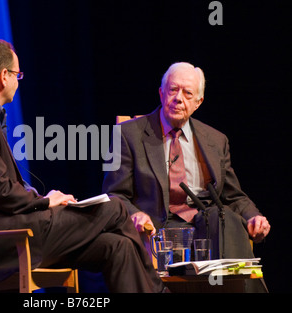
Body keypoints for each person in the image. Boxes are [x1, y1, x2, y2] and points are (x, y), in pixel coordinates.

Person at [0, 37, 167, 293]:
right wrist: (45, 202)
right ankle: (160, 291)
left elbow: (2, 186)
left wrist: (43, 198)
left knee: (118, 246)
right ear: (3, 76)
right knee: (114, 208)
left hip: (18, 233)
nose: (18, 81)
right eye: (18, 74)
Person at [102, 62, 271, 260]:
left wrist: (254, 217)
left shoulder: (216, 140)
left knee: (227, 219)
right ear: (161, 93)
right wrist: (135, 215)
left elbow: (233, 196)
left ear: (198, 102)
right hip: (159, 227)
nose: (178, 99)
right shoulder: (127, 135)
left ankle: (235, 284)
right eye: (173, 90)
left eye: (187, 94)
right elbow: (114, 194)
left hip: (207, 224)